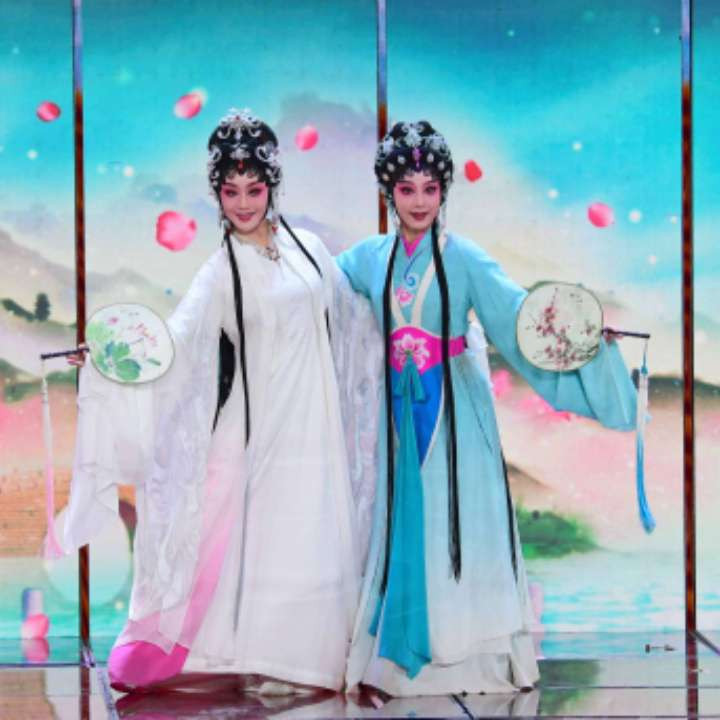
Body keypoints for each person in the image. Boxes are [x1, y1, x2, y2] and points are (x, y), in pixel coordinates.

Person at [63, 109, 379, 694]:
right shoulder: (218, 272)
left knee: (310, 538)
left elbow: (356, 320)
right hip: (258, 429)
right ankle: (222, 652)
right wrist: (111, 356)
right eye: (231, 191)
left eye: (254, 189)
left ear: (272, 185)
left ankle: (307, 657)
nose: (243, 203)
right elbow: (176, 342)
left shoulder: (310, 249)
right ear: (217, 194)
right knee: (232, 537)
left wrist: (417, 334)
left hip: (316, 426)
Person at [336, 120, 637, 696]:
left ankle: (465, 657)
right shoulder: (370, 258)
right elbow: (318, 291)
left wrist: (584, 339)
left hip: (456, 412)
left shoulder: (465, 258)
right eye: (406, 189)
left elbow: (520, 320)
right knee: (403, 523)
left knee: (456, 523)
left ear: (444, 190)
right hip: (396, 415)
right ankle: (396, 661)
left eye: (430, 188)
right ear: (389, 192)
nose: (419, 201)